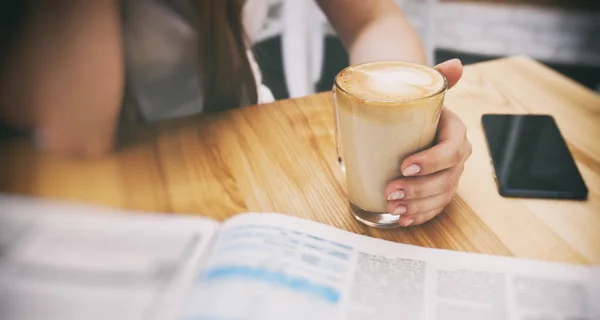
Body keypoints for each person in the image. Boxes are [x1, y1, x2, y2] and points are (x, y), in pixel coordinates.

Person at [0, 0, 471, 226]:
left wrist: (411, 114)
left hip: (247, 145)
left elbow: (375, 20)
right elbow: (78, 135)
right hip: (104, 178)